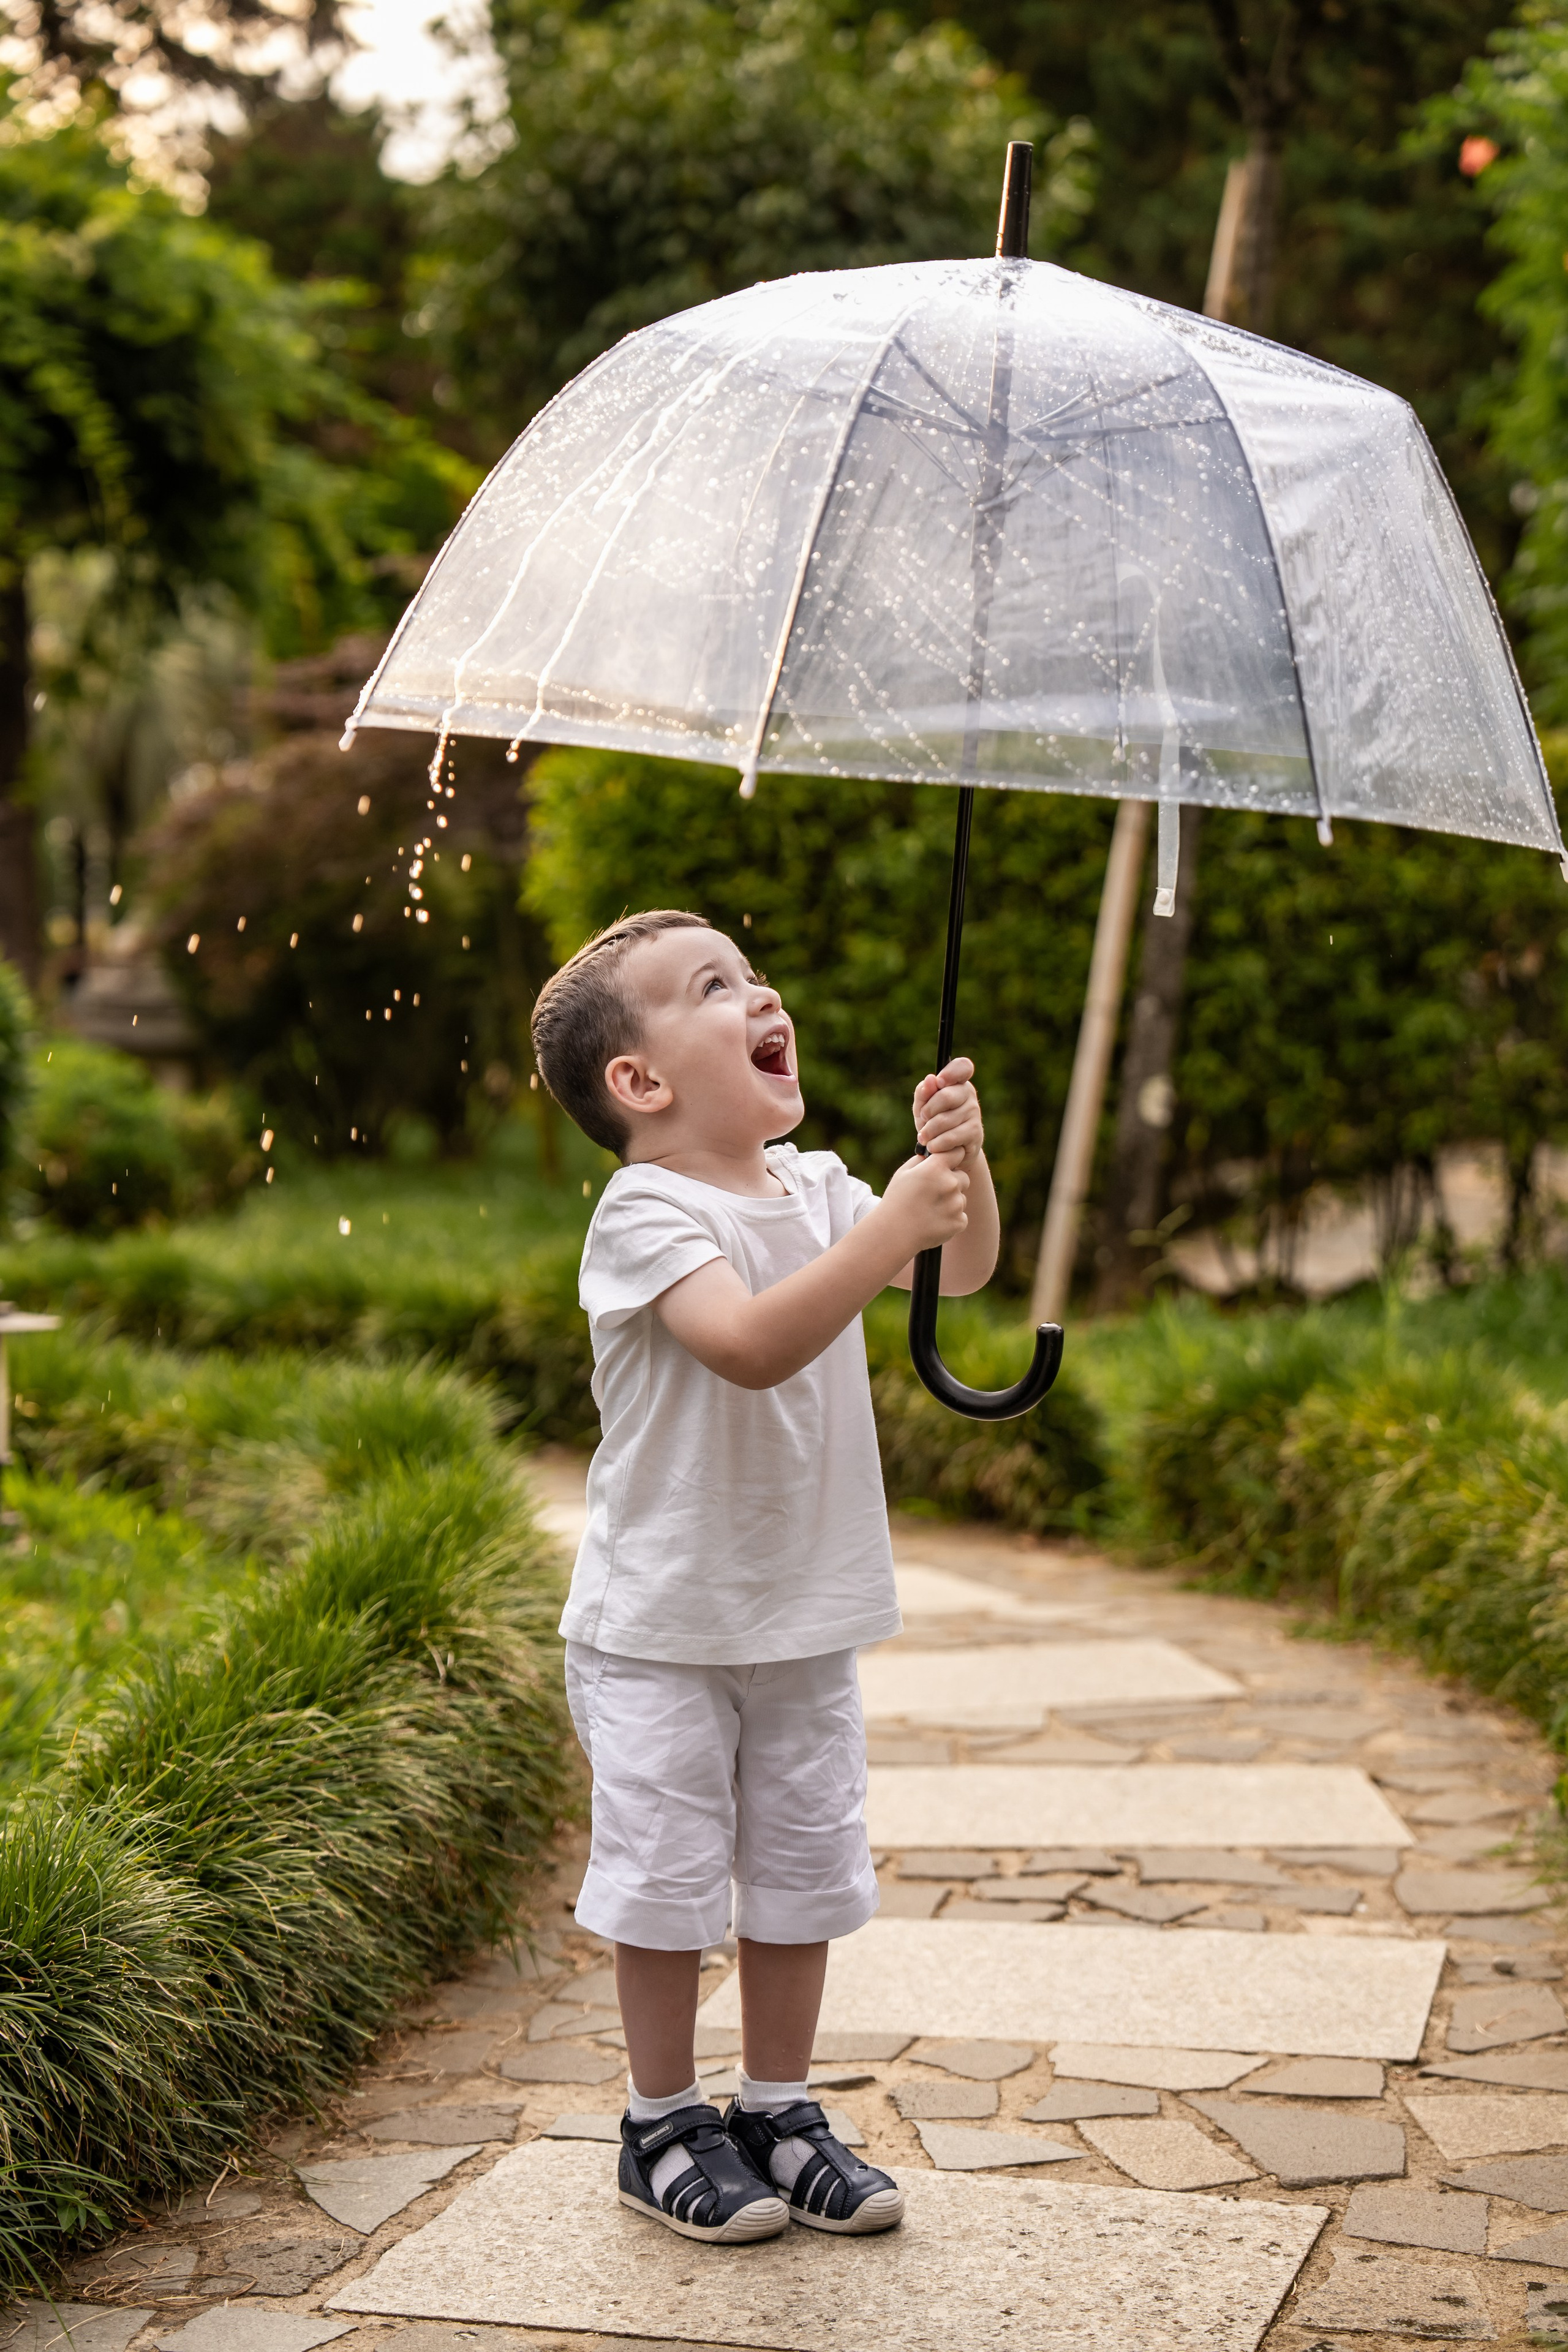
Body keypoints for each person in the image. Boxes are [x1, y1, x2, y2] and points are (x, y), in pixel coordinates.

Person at [529, 907, 1001, 2245]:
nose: (760, 991)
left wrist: (954, 1172)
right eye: (714, 984)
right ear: (642, 1082)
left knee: (801, 1860)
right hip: (663, 1626)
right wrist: (886, 1228)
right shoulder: (646, 1210)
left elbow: (958, 1269)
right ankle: (660, 2118)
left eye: (750, 973)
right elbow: (743, 1342)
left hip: (801, 1609)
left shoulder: (827, 1189)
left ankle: (778, 2109)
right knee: (667, 1876)